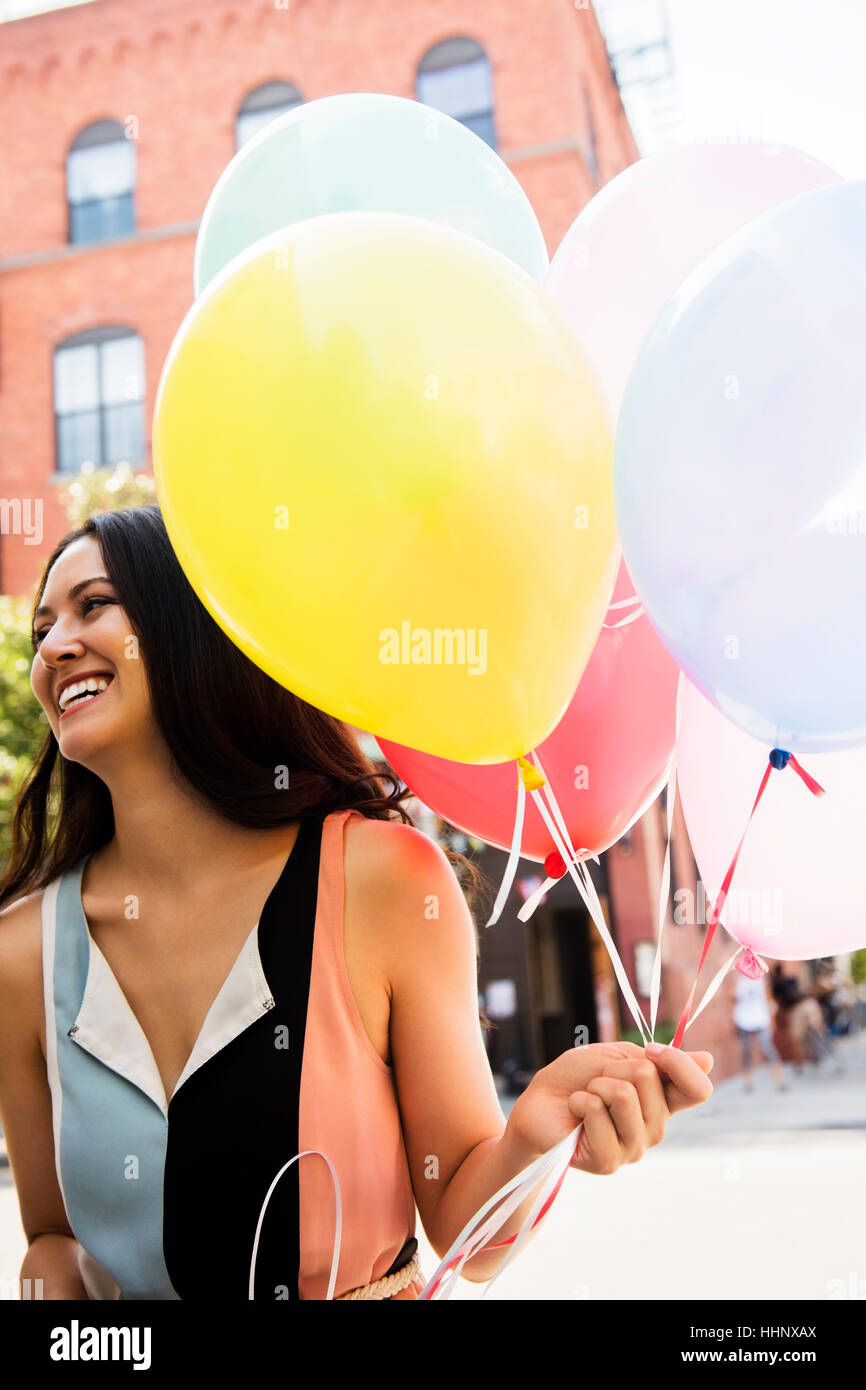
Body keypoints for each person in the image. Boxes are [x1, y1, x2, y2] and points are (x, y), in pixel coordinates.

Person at [0, 505, 714, 1301]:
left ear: (193, 623)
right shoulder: (20, 953)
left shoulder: (384, 880)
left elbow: (469, 1235)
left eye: (94, 605)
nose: (54, 648)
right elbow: (52, 1236)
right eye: (40, 630)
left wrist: (537, 1133)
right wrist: (52, 1283)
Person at [732, 971, 787, 1093]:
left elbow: (768, 999)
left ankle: (780, 1082)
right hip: (743, 1020)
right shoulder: (737, 979)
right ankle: (748, 1083)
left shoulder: (762, 979)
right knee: (747, 1053)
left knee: (769, 1050)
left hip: (760, 1019)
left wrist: (772, 1021)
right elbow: (734, 998)